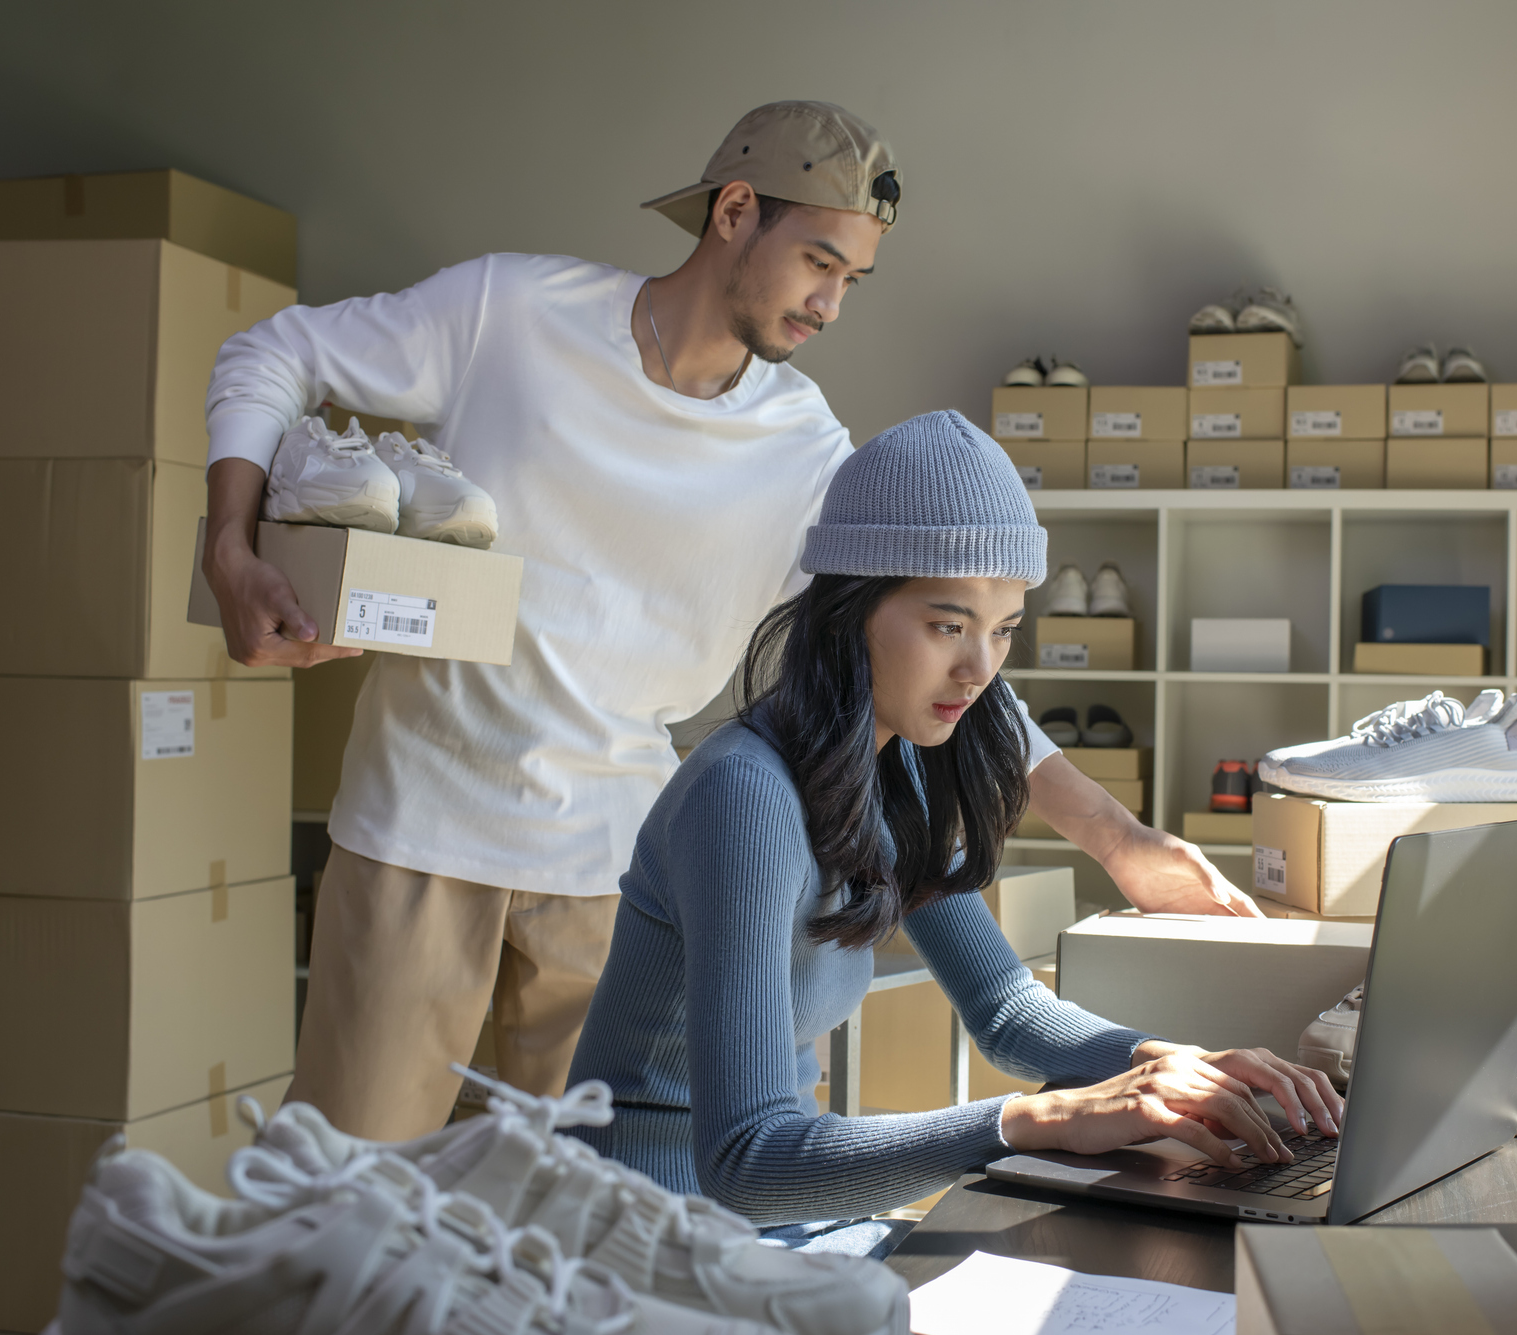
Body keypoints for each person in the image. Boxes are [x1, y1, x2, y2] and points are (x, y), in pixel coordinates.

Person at [200, 101, 1259, 1143]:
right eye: (819, 263)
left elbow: (945, 641)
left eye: (853, 281)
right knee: (337, 1204)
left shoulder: (803, 451)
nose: (832, 306)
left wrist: (1120, 842)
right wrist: (232, 550)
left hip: (613, 874)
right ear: (737, 211)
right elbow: (270, 354)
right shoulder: (508, 314)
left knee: (576, 1230)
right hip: (418, 833)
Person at [567, 411, 1341, 1252]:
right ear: (849, 610)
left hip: (775, 1215)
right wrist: (1031, 1119)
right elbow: (746, 1160)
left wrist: (1170, 1063)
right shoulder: (743, 796)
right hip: (648, 1229)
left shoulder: (889, 768)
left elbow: (1006, 1010)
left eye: (1003, 630)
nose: (978, 670)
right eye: (948, 625)